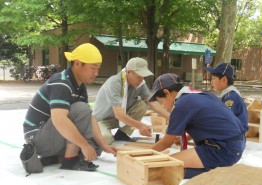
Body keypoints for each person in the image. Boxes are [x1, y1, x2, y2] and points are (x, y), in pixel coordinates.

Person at [22, 43, 118, 171]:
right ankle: (70, 160)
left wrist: (104, 145)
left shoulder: (80, 86)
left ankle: (54, 158)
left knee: (95, 147)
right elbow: (59, 120)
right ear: (78, 64)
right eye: (93, 68)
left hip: (52, 134)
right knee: (81, 110)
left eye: (98, 68)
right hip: (37, 137)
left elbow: (89, 117)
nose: (96, 73)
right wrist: (83, 145)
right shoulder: (61, 83)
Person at [149, 73, 246, 179]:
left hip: (224, 149)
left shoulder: (181, 104)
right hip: (236, 145)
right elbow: (212, 122)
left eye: (161, 101)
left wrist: (146, 154)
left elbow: (167, 141)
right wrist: (188, 137)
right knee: (173, 165)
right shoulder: (201, 94)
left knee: (166, 166)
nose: (163, 106)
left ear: (166, 92)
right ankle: (219, 168)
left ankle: (219, 171)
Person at [93, 57, 170, 144]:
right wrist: (140, 125)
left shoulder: (140, 83)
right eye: (139, 76)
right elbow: (119, 114)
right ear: (128, 72)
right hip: (102, 120)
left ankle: (122, 134)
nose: (141, 79)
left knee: (141, 105)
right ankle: (91, 134)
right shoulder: (114, 83)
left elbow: (151, 102)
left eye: (143, 76)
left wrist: (171, 117)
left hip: (119, 119)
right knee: (105, 139)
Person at [205, 63, 248, 132]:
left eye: (214, 78)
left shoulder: (230, 98)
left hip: (232, 139)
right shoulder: (227, 95)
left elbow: (224, 122)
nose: (212, 82)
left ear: (224, 79)